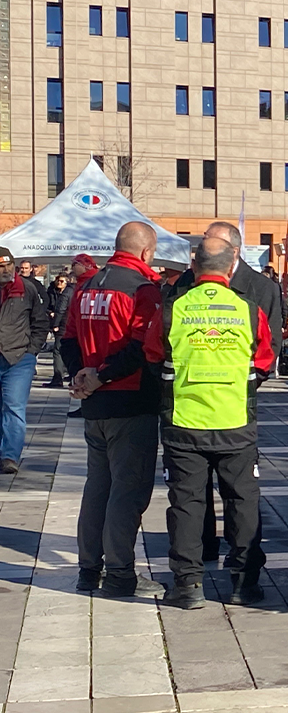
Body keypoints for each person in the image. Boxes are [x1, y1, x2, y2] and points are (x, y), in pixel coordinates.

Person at [144, 238, 276, 609]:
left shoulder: (173, 308)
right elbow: (264, 360)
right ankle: (244, 583)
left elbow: (153, 353)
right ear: (230, 267)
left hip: (184, 422)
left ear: (194, 267)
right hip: (235, 422)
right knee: (243, 501)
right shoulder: (248, 310)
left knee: (186, 504)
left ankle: (188, 585)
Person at [167, 222, 284, 563]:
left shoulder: (260, 289)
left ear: (234, 253)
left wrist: (240, 383)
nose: (204, 248)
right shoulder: (182, 290)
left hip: (231, 409)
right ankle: (203, 556)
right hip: (191, 412)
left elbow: (269, 347)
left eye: (210, 242)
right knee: (194, 495)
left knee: (238, 494)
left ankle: (234, 571)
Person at [64, 223, 165, 597]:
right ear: (145, 252)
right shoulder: (142, 289)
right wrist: (102, 376)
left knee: (97, 488)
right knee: (128, 491)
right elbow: (142, 348)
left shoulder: (87, 285)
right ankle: (121, 574)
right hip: (129, 400)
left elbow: (69, 337)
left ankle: (89, 570)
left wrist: (81, 376)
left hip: (95, 403)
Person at [0, 248, 49, 474]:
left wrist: (31, 352)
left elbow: (40, 323)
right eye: (1, 267)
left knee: (13, 407)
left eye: (8, 266)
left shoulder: (27, 289)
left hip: (18, 358)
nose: (5, 271)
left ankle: (9, 456)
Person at [65, 254, 99, 419]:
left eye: (74, 265)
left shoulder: (90, 282)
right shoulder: (83, 282)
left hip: (83, 333)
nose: (72, 269)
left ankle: (86, 401)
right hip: (78, 331)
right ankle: (84, 403)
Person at [43, 275, 71, 388]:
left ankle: (58, 378)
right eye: (57, 281)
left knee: (58, 350)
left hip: (63, 325)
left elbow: (61, 310)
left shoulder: (66, 294)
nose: (59, 283)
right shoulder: (52, 291)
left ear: (66, 283)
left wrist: (55, 324)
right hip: (67, 324)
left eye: (62, 281)